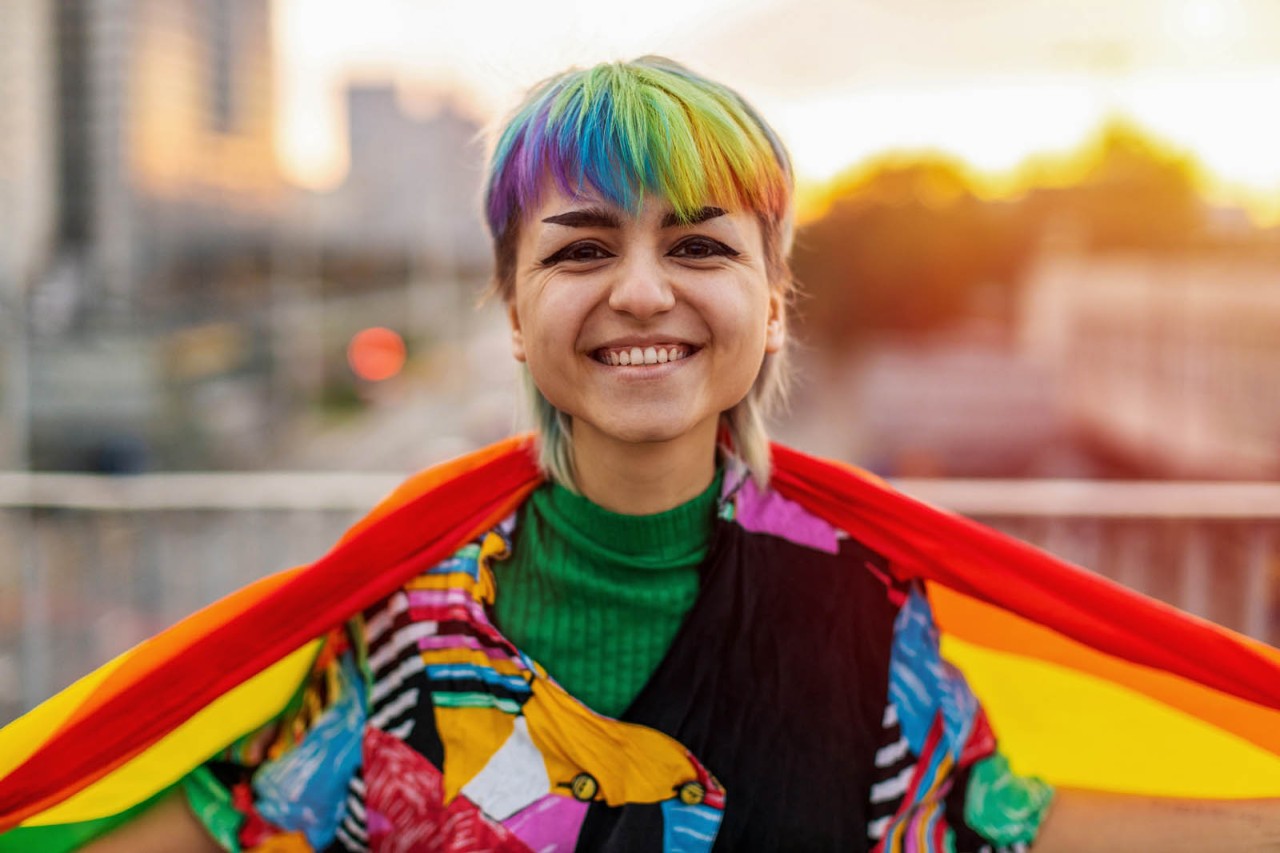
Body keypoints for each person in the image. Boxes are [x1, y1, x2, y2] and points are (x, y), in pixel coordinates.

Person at [7, 56, 1280, 853]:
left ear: (771, 301)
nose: (638, 292)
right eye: (577, 248)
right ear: (512, 310)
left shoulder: (858, 609)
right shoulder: (412, 620)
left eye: (697, 246)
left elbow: (988, 822)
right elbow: (241, 819)